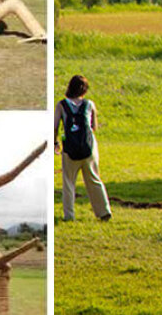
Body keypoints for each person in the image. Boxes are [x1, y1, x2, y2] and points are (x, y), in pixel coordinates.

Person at [54, 75, 112, 221]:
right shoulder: (90, 104)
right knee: (94, 179)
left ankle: (69, 216)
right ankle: (104, 212)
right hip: (89, 149)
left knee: (68, 183)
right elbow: (94, 127)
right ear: (85, 90)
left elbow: (55, 126)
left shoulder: (62, 105)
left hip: (70, 151)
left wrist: (55, 143)